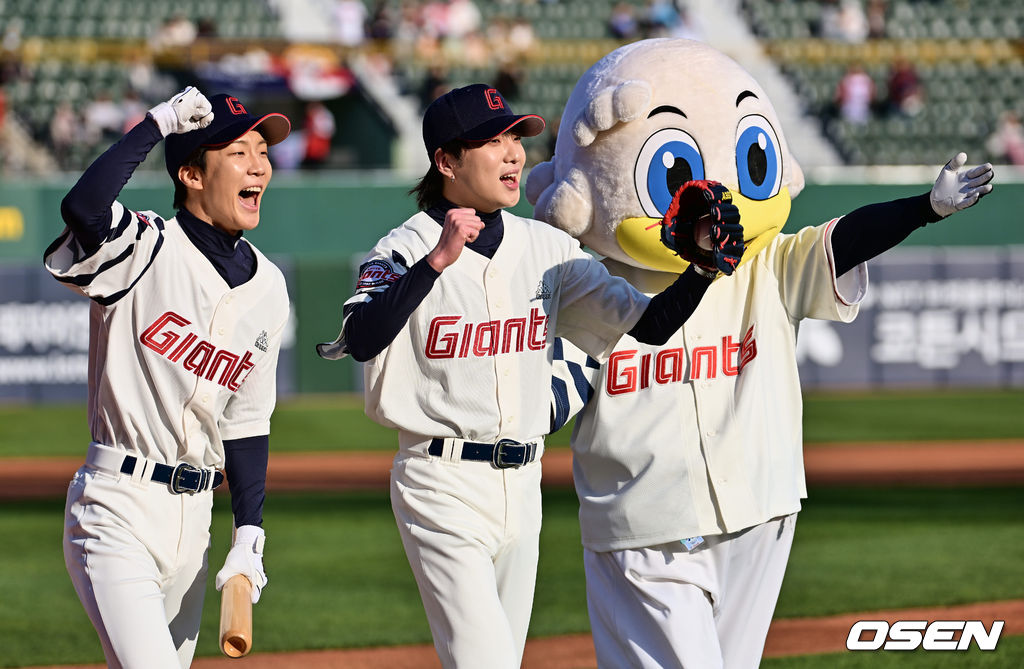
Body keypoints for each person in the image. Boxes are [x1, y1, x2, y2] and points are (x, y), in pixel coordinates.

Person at [530, 39, 995, 669]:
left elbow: (841, 239)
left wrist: (926, 208)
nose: (710, 199)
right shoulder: (581, 281)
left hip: (761, 507)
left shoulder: (767, 264)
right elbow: (637, 333)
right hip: (647, 523)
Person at [315, 83, 742, 668]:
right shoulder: (404, 247)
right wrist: (437, 262)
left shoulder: (545, 247)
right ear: (446, 161)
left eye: (517, 138)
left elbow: (647, 325)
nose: (515, 153)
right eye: (495, 140)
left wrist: (699, 268)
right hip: (440, 482)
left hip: (524, 485)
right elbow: (363, 337)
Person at [44, 86, 291, 668]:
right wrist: (156, 123)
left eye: (263, 149)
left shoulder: (269, 286)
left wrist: (249, 533)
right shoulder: (147, 246)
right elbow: (83, 209)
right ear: (192, 174)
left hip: (195, 522)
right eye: (238, 151)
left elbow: (247, 421)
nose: (259, 164)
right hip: (117, 509)